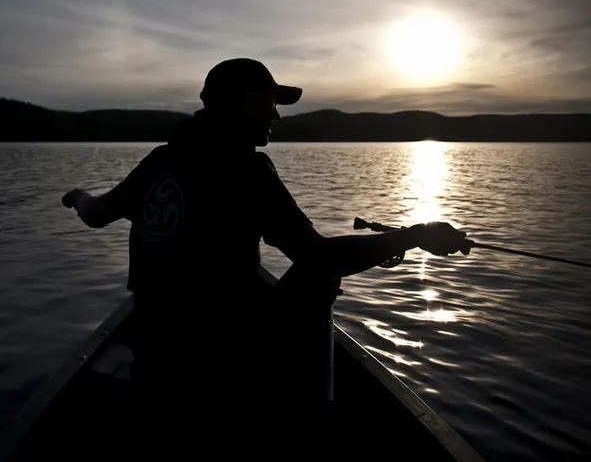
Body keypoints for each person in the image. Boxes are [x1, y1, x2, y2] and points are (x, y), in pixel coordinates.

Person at [61, 57, 474, 445]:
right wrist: (414, 236)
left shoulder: (160, 161)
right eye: (269, 102)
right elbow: (320, 257)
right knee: (322, 274)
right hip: (219, 351)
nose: (276, 115)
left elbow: (96, 214)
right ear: (238, 104)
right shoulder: (248, 170)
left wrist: (78, 194)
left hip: (155, 343)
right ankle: (301, 407)